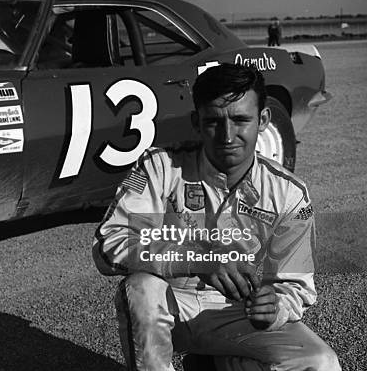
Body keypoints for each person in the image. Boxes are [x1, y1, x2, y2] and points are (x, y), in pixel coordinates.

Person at [92, 63, 341, 371]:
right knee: (141, 287)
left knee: (320, 362)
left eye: (240, 120)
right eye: (213, 121)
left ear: (263, 120)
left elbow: (297, 285)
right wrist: (195, 260)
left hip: (234, 313)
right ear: (196, 122)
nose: (227, 136)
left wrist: (274, 306)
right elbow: (109, 245)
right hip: (170, 306)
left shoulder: (288, 193)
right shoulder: (161, 169)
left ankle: (212, 363)